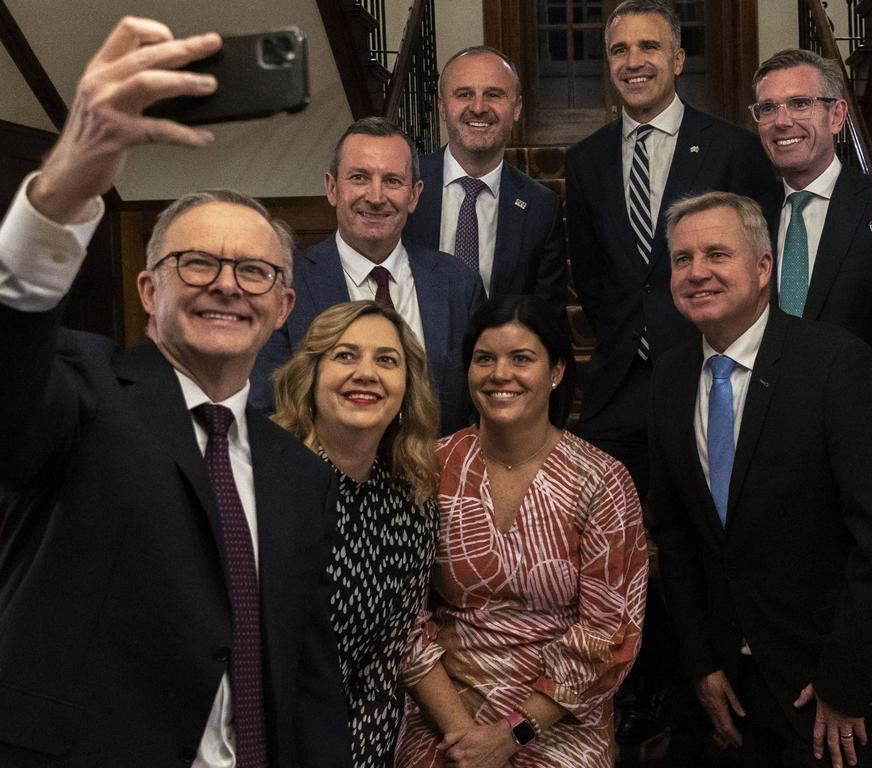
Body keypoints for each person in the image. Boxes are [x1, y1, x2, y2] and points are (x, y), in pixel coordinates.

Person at [0, 17, 350, 767]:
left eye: (255, 271)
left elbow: (308, 674)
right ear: (147, 286)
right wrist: (62, 189)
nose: (228, 284)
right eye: (197, 263)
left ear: (285, 305)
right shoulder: (80, 397)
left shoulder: (299, 473)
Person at [647, 191, 872, 767]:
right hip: (726, 690)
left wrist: (845, 682)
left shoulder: (837, 366)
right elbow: (675, 533)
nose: (697, 273)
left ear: (764, 267)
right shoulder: (669, 379)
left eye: (717, 254)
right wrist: (701, 663)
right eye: (681, 259)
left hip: (827, 691)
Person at [394, 296, 648, 767]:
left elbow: (610, 634)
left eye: (521, 358)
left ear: (555, 372)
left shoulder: (601, 480)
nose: (499, 374)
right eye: (484, 358)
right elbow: (403, 618)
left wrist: (512, 735)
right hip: (444, 711)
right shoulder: (428, 468)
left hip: (560, 717)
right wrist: (461, 732)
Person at [565, 0, 778, 497]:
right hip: (617, 382)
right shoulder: (584, 160)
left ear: (678, 59)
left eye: (648, 46)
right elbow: (592, 276)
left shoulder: (733, 149)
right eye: (619, 49)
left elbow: (758, 268)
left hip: (709, 368)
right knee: (612, 541)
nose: (632, 61)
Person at [272, 300, 440, 767]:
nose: (366, 373)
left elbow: (387, 665)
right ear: (310, 377)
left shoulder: (411, 505)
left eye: (386, 360)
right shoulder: (267, 483)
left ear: (406, 391)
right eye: (345, 355)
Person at [252, 117, 485, 436]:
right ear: (332, 188)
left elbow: (475, 409)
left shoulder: (458, 284)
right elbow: (267, 411)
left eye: (392, 181)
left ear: (414, 195)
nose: (376, 197)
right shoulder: (284, 286)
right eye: (359, 177)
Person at [752, 48, 872, 374]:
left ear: (836, 116)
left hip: (860, 411)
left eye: (800, 104)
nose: (782, 121)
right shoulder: (750, 215)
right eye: (768, 108)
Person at [403, 46, 566, 312]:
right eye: (464, 94)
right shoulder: (403, 185)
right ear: (443, 107)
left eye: (493, 94)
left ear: (516, 108)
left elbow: (545, 317)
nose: (478, 108)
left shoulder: (541, 207)